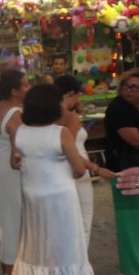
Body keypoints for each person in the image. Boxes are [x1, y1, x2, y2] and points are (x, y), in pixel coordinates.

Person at [8, 84, 97, 275]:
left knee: (37, 241)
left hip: (32, 195)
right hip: (60, 196)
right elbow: (78, 169)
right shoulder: (60, 133)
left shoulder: (22, 132)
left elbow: (14, 162)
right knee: (62, 244)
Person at [55, 74, 116, 251]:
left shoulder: (50, 115)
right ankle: (79, 263)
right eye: (78, 95)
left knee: (68, 222)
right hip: (78, 170)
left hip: (63, 170)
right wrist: (96, 168)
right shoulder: (69, 117)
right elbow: (71, 150)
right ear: (71, 94)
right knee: (83, 219)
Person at [0, 69, 29, 275]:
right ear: (14, 91)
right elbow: (17, 155)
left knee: (3, 222)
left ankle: (7, 274)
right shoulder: (14, 114)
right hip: (9, 173)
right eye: (25, 85)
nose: (28, 89)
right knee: (15, 222)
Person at [103, 67, 139, 275]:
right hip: (125, 169)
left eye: (134, 87)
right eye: (126, 87)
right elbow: (134, 139)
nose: (129, 91)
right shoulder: (119, 108)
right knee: (131, 220)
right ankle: (132, 270)